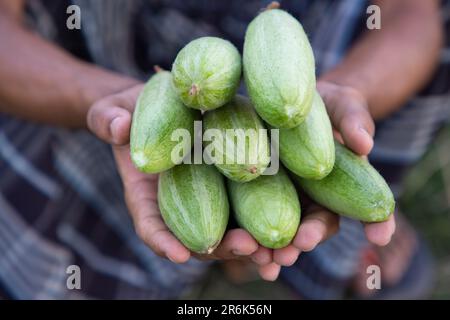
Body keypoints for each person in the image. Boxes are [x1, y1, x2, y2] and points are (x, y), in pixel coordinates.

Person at [0, 0, 445, 299]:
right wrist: (106, 99)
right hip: (98, 46)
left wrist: (351, 91)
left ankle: (314, 248)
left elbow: (409, 14)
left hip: (315, 37)